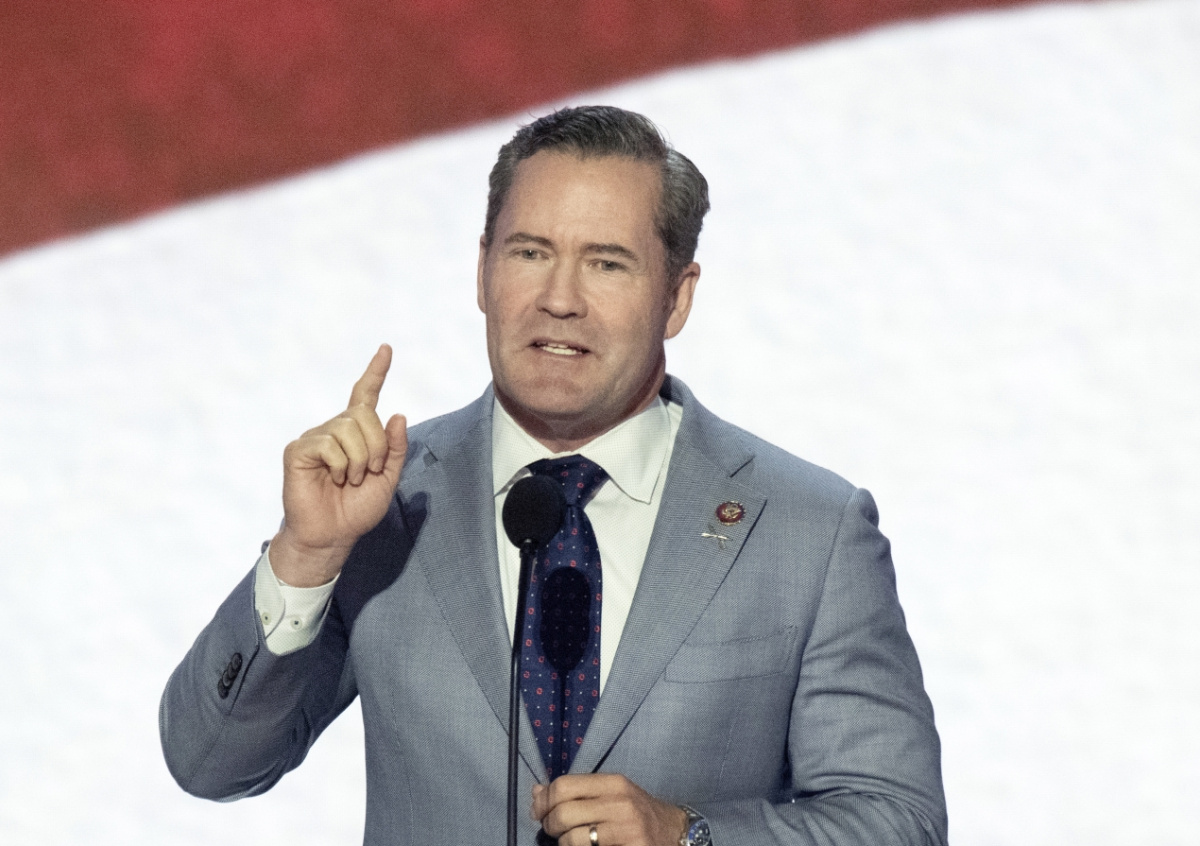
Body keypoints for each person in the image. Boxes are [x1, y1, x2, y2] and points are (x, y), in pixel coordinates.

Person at [161, 105, 947, 846]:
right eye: (530, 253)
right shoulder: (385, 503)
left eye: (606, 263)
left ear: (677, 297)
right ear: (482, 271)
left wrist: (690, 835)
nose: (559, 300)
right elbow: (209, 763)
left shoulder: (810, 529)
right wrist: (306, 557)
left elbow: (899, 820)